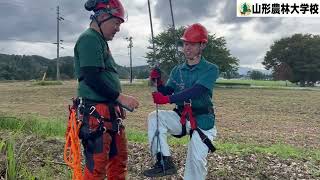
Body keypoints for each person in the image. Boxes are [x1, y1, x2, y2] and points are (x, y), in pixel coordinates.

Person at [143, 23, 219, 180]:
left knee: (196, 161)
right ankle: (164, 161)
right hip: (181, 117)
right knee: (154, 117)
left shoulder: (211, 69)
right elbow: (168, 91)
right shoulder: (177, 70)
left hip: (202, 119)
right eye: (185, 44)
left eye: (192, 44)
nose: (187, 48)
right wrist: (158, 82)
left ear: (203, 45)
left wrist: (167, 99)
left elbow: (197, 91)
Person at [73, 0, 139, 179]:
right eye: (116, 22)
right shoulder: (89, 39)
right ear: (102, 17)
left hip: (109, 113)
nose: (118, 28)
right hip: (97, 113)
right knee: (97, 169)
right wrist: (120, 97)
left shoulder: (99, 41)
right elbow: (92, 78)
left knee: (118, 161)